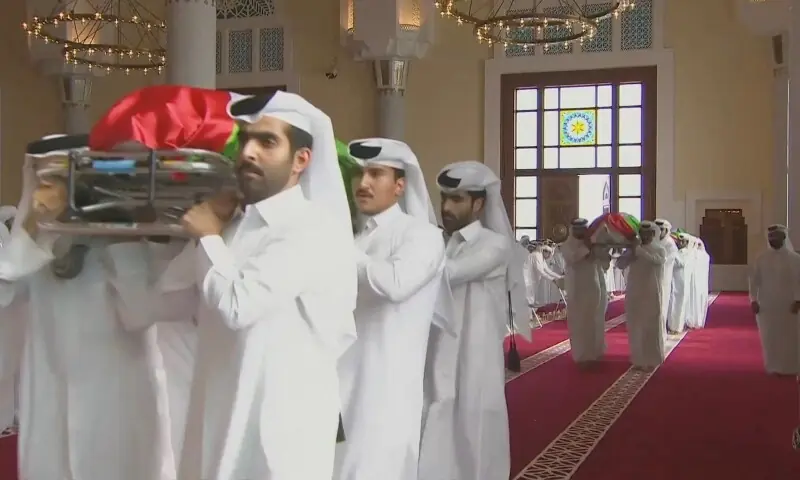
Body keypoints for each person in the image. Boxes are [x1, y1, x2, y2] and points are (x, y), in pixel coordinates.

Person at [154, 91, 358, 480]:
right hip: (222, 411)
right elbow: (172, 296)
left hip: (277, 429)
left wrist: (209, 236)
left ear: (301, 160)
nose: (248, 152)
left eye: (267, 142)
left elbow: (237, 306)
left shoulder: (311, 226)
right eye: (246, 139)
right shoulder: (233, 225)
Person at [0, 140, 173, 480]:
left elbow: (139, 313)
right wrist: (36, 226)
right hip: (50, 398)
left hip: (117, 401)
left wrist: (121, 236)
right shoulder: (35, 242)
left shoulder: (131, 237)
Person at [334, 138, 446, 480]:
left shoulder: (422, 235)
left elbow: (395, 284)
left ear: (399, 185)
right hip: (338, 381)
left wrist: (334, 245)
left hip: (386, 388)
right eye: (358, 174)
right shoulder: (354, 238)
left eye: (375, 173)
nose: (363, 183)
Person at [419, 161, 528, 480]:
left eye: (457, 199)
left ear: (478, 204)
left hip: (474, 350)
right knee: (438, 411)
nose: (446, 207)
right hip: (440, 345)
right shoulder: (444, 243)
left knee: (473, 422)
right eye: (444, 199)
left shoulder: (495, 245)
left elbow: (449, 274)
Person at [748, 224, 800, 375]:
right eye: (770, 237)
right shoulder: (761, 258)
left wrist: (798, 300)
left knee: (790, 336)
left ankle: (790, 367)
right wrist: (753, 300)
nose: (773, 239)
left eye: (776, 237)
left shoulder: (795, 259)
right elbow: (754, 281)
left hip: (789, 304)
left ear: (784, 237)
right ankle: (773, 366)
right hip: (767, 305)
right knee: (769, 337)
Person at [616, 221, 668, 370]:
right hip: (634, 292)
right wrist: (629, 253)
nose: (645, 236)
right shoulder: (635, 249)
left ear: (653, 234)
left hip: (651, 293)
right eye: (642, 234)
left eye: (647, 234)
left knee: (650, 326)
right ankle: (638, 359)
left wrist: (638, 251)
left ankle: (651, 359)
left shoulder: (660, 249)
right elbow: (620, 264)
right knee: (635, 326)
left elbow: (657, 261)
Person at [560, 218, 608, 367]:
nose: (580, 232)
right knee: (579, 323)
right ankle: (581, 356)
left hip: (593, 288)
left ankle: (593, 354)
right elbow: (573, 258)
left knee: (593, 321)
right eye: (578, 229)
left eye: (583, 229)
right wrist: (587, 246)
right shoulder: (567, 245)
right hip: (577, 290)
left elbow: (605, 264)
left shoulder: (593, 244)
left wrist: (604, 248)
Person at [655, 218, 678, 330]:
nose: (659, 231)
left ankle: (661, 329)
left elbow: (665, 261)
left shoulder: (670, 244)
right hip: (653, 278)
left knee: (662, 304)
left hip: (664, 278)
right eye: (658, 229)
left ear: (666, 230)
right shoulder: (654, 241)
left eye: (662, 229)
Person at [666, 234, 691, 333]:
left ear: (687, 243)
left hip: (681, 282)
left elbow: (681, 264)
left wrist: (674, 254)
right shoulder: (676, 251)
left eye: (682, 241)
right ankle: (671, 326)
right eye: (679, 241)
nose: (680, 243)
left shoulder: (687, 253)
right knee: (671, 304)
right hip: (673, 280)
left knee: (679, 305)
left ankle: (677, 327)